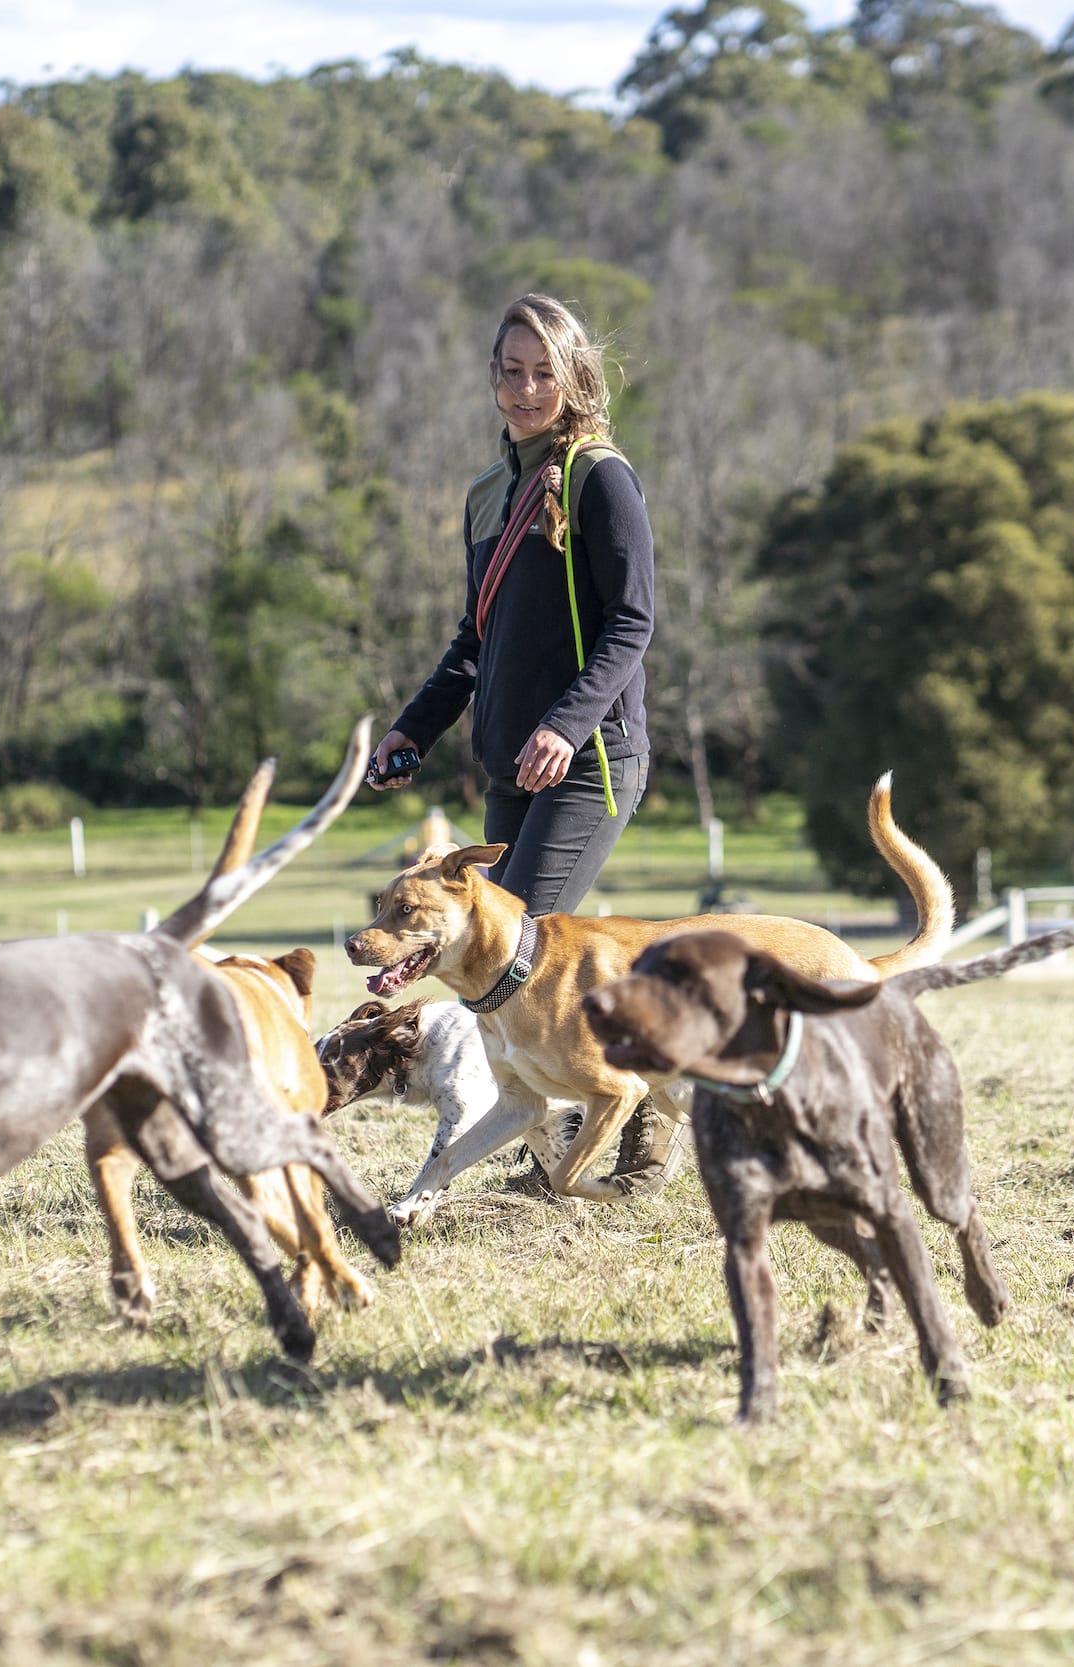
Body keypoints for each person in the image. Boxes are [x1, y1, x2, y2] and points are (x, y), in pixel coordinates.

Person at [369, 293, 670, 1193]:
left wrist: (565, 725)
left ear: (574, 376)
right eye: (511, 370)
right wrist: (412, 729)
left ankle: (637, 1148)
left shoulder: (600, 478)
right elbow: (476, 641)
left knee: (511, 964)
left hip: (590, 760)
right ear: (492, 379)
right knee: (522, 976)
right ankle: (558, 1142)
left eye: (544, 371)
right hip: (508, 765)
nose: (527, 387)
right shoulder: (487, 495)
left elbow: (631, 624)